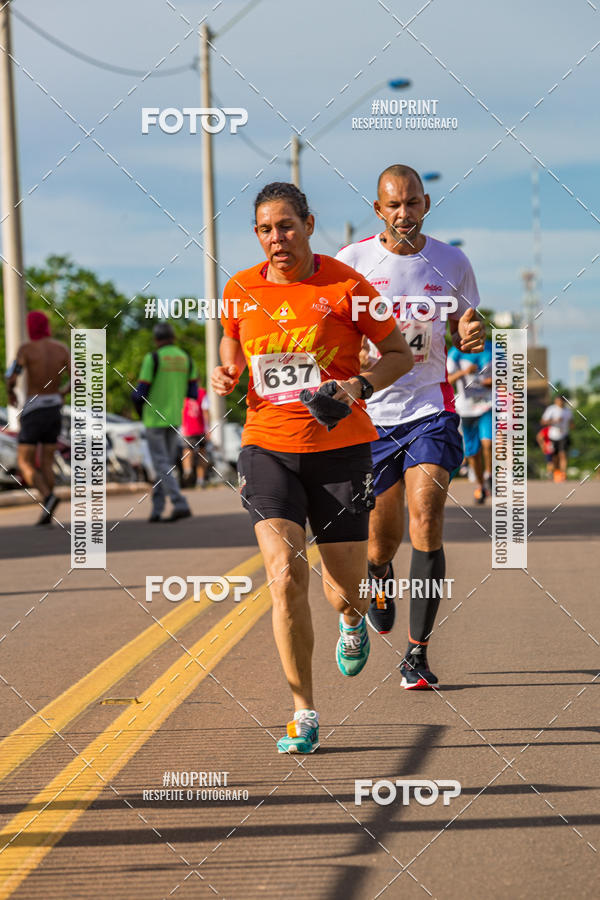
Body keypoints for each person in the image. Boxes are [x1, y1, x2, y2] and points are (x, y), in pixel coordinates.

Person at [211, 181, 413, 754]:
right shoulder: (239, 289)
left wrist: (358, 385)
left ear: (308, 224)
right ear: (257, 236)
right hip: (266, 446)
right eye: (266, 229)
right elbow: (231, 345)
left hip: (340, 449)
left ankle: (353, 617)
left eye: (287, 226)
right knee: (283, 575)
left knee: (341, 589)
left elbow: (399, 353)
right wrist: (227, 373)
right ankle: (303, 711)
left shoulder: (348, 286)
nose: (277, 238)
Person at [336, 164, 486, 689]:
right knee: (380, 540)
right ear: (378, 210)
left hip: (430, 406)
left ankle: (417, 655)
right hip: (372, 416)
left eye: (413, 203)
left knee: (427, 516)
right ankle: (378, 575)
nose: (404, 213)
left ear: (426, 205)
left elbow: (468, 320)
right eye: (393, 205)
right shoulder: (350, 264)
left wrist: (471, 331)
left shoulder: (451, 261)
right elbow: (327, 331)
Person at [5, 310, 70, 525]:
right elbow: (78, 379)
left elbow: (12, 377)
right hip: (54, 410)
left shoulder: (26, 349)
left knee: (24, 461)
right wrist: (61, 393)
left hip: (34, 409)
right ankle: (47, 511)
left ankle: (48, 497)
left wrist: (10, 392)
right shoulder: (61, 349)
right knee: (48, 462)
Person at [132, 322, 197, 522]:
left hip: (154, 417)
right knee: (165, 465)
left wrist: (139, 411)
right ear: (173, 338)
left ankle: (180, 503)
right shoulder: (186, 359)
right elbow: (192, 392)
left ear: (156, 340)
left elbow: (140, 393)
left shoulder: (153, 358)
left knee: (161, 464)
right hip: (174, 419)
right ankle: (157, 509)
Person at [447, 338, 493, 504]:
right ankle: (480, 486)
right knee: (472, 452)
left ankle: (489, 475)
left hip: (487, 404)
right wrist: (464, 373)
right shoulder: (455, 352)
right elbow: (448, 380)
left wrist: (490, 382)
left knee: (488, 443)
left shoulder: (492, 349)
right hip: (466, 408)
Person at [181, 390, 210, 487]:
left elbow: (180, 410)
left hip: (188, 428)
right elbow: (205, 411)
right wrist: (207, 428)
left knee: (187, 449)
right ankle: (200, 479)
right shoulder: (202, 393)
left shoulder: (183, 392)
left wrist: (181, 427)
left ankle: (187, 470)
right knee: (201, 453)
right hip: (200, 428)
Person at [541, 394, 573, 482]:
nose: (559, 403)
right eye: (558, 401)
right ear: (556, 401)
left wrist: (571, 425)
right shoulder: (551, 409)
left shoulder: (568, 411)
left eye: (561, 401)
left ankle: (563, 474)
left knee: (563, 455)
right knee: (554, 457)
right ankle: (556, 472)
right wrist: (554, 421)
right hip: (553, 436)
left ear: (564, 402)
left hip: (564, 435)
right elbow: (543, 422)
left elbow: (571, 423)